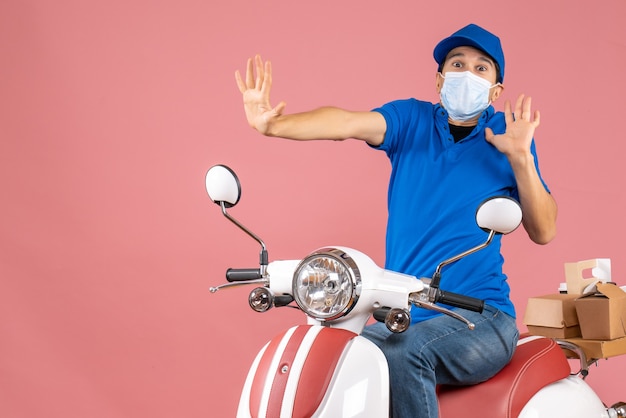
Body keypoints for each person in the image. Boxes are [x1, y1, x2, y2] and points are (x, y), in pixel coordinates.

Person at [235, 23, 557, 418]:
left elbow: (544, 230)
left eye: (481, 68)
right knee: (338, 353)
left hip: (480, 317)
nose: (467, 75)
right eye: (457, 64)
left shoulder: (507, 135)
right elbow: (347, 123)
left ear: (496, 90)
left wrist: (521, 157)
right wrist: (273, 125)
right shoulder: (412, 120)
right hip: (401, 313)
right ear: (440, 79)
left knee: (406, 354)